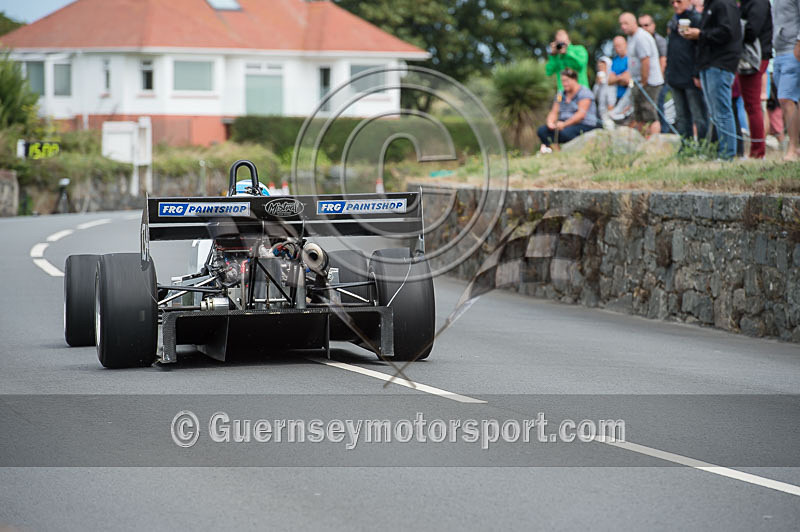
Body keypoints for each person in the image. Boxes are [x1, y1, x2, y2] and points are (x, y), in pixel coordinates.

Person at [683, 0, 743, 160]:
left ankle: (727, 154)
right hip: (708, 64)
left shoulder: (724, 4)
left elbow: (727, 32)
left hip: (720, 63)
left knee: (723, 111)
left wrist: (700, 34)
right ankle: (718, 152)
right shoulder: (711, 5)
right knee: (715, 113)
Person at [666, 0, 708, 144]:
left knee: (699, 115)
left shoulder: (696, 19)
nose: (675, 5)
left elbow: (701, 49)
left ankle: (704, 147)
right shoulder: (673, 22)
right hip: (675, 75)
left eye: (679, 1)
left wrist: (697, 73)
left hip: (691, 76)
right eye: (672, 2)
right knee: (681, 116)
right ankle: (686, 147)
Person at [619, 12, 665, 136]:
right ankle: (642, 141)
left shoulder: (641, 37)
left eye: (626, 23)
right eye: (621, 24)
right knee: (639, 115)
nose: (623, 26)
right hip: (638, 81)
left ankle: (654, 142)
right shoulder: (631, 37)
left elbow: (646, 61)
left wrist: (644, 82)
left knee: (649, 114)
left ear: (634, 23)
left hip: (649, 82)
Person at [737, 0, 772, 158]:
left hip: (755, 57)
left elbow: (752, 31)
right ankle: (756, 149)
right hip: (752, 57)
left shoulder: (758, 3)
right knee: (751, 105)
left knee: (753, 105)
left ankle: (758, 151)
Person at [538, 69, 598, 152]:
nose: (564, 84)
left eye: (567, 81)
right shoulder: (560, 94)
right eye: (562, 81)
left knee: (565, 133)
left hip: (583, 124)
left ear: (574, 80)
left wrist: (564, 124)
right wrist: (550, 123)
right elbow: (554, 111)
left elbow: (581, 115)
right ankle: (555, 150)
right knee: (542, 131)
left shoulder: (584, 93)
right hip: (563, 125)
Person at [772, 0, 800, 161]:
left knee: (786, 98)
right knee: (789, 100)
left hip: (793, 50)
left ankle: (793, 147)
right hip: (779, 51)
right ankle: (795, 147)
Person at [639, 14, 670, 133]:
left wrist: (659, 81)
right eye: (641, 26)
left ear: (653, 25)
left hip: (659, 81)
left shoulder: (659, 40)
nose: (644, 28)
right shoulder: (640, 41)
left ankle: (664, 133)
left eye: (646, 25)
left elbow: (663, 61)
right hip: (648, 81)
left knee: (658, 107)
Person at [593, 57, 617, 126]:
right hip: (600, 110)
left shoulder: (612, 78)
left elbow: (611, 95)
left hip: (609, 110)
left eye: (603, 66)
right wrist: (597, 83)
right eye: (600, 66)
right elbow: (594, 95)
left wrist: (610, 108)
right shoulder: (598, 79)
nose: (601, 68)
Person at [608, 36, 630, 101]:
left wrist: (616, 78)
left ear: (626, 44)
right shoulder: (615, 61)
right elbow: (610, 81)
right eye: (615, 46)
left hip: (629, 96)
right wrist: (621, 77)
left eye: (619, 46)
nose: (617, 48)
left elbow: (627, 80)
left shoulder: (631, 59)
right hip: (617, 97)